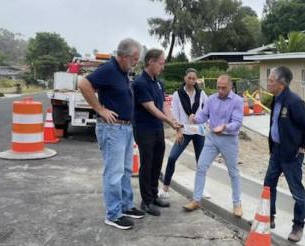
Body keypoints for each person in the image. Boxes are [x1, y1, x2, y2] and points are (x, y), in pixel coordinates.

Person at [78, 38, 145, 230]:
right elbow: (84, 84)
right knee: (114, 173)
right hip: (113, 129)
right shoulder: (109, 69)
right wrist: (100, 109)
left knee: (125, 171)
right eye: (134, 59)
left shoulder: (123, 72)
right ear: (123, 56)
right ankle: (113, 214)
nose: (135, 63)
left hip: (124, 128)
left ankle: (125, 206)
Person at [264, 66, 305, 242]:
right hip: (277, 151)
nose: (268, 83)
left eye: (271, 81)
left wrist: (302, 145)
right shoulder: (276, 99)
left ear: (281, 83)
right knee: (268, 185)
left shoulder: (294, 102)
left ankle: (298, 226)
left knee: (296, 191)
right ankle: (268, 218)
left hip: (291, 154)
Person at [182, 74, 244, 218]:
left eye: (224, 88)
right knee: (201, 166)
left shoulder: (237, 101)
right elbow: (204, 115)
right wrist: (195, 119)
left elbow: (237, 122)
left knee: (233, 172)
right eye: (218, 88)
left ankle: (237, 204)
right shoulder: (211, 99)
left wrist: (224, 127)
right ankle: (196, 200)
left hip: (229, 139)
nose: (221, 90)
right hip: (212, 138)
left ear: (230, 86)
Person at [133, 49, 181, 216]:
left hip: (157, 129)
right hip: (144, 129)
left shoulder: (158, 83)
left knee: (157, 163)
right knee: (147, 165)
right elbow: (151, 108)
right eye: (161, 63)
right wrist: (169, 122)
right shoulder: (140, 83)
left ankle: (153, 195)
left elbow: (163, 105)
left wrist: (172, 119)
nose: (163, 66)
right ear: (150, 62)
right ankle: (146, 201)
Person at [158, 68, 208, 201]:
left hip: (198, 131)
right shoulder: (177, 94)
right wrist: (178, 131)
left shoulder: (201, 93)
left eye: (194, 78)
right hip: (184, 131)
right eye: (189, 78)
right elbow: (174, 114)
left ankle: (201, 190)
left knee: (201, 162)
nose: (192, 81)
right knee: (172, 157)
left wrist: (203, 120)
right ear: (185, 78)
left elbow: (208, 109)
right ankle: (165, 188)